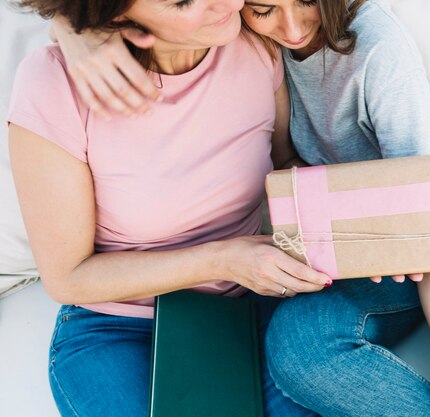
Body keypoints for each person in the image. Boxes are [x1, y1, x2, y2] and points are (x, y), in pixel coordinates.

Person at [48, 1, 430, 416]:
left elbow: (427, 227)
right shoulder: (248, 38)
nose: (294, 27)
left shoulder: (374, 45)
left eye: (304, 2)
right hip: (363, 245)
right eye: (263, 9)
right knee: (301, 348)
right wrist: (74, 32)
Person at [8, 1, 333, 416]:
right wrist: (223, 260)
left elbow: (285, 164)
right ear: (118, 15)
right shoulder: (53, 83)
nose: (227, 3)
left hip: (251, 307)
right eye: (182, 1)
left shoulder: (255, 45)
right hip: (120, 325)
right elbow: (68, 278)